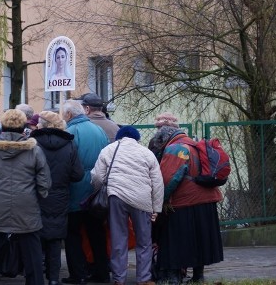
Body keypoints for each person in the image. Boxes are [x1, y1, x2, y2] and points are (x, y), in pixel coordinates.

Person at [0, 109, 51, 285]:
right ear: (23, 127)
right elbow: (44, 181)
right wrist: (40, 196)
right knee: (33, 257)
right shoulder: (34, 151)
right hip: (27, 207)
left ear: (3, 126)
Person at [149, 126, 223, 284]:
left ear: (163, 140)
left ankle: (174, 278)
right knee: (200, 241)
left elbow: (169, 178)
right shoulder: (194, 144)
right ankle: (198, 276)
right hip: (206, 200)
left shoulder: (175, 148)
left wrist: (161, 201)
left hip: (185, 202)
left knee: (177, 240)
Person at [91, 126, 164, 285]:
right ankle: (144, 279)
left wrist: (100, 190)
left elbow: (97, 176)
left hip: (116, 198)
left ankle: (119, 279)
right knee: (144, 241)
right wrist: (156, 208)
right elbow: (157, 182)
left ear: (119, 136)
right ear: (136, 138)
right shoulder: (146, 152)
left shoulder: (108, 150)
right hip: (142, 199)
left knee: (118, 239)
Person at [30, 111, 84, 285]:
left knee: (35, 238)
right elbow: (78, 174)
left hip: (35, 195)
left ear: (43, 125)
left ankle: (35, 278)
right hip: (60, 196)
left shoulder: (32, 144)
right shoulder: (69, 144)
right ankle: (54, 278)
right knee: (54, 238)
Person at [61, 99, 110, 284]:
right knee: (96, 233)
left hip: (75, 190)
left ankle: (78, 274)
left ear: (68, 115)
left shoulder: (70, 132)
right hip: (95, 189)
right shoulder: (99, 130)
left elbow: (68, 164)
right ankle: (102, 272)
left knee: (72, 234)